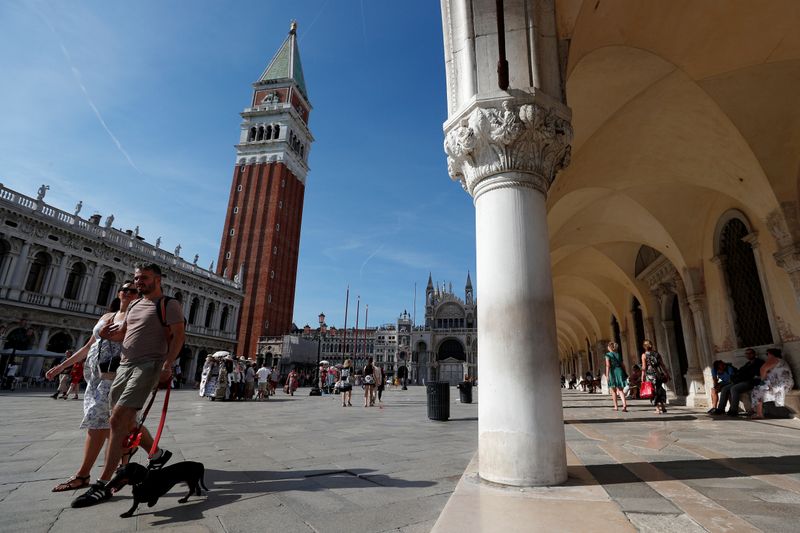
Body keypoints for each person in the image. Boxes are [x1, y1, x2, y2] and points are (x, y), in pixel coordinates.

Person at [71, 263, 185, 508]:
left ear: (158, 279)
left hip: (148, 365)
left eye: (144, 278)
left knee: (116, 420)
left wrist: (168, 364)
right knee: (123, 421)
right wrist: (106, 334)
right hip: (124, 365)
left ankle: (104, 483)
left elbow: (179, 335)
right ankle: (157, 454)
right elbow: (124, 332)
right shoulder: (134, 304)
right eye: (136, 278)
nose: (138, 282)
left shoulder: (168, 304)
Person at [45, 282, 134, 492]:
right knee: (122, 424)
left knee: (99, 421)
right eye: (125, 289)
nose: (129, 293)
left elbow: (121, 338)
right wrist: (61, 367)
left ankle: (83, 474)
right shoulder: (106, 317)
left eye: (134, 291)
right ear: (119, 293)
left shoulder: (136, 317)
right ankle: (126, 468)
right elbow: (88, 346)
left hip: (115, 376)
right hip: (94, 376)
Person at [714, 348, 763, 416]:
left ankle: (733, 410)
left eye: (750, 353)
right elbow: (740, 371)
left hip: (751, 381)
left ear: (754, 354)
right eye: (747, 354)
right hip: (742, 380)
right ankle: (721, 409)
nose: (748, 355)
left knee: (734, 388)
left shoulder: (759, 362)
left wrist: (742, 376)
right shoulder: (748, 363)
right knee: (725, 389)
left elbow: (754, 374)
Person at [750, 348, 795, 419]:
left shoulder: (774, 359)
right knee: (760, 388)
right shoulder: (780, 361)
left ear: (770, 354)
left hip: (782, 384)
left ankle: (759, 413)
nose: (767, 356)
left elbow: (763, 369)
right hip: (785, 384)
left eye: (767, 354)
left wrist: (762, 381)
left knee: (757, 390)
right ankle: (760, 412)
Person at [641, 340, 670, 414]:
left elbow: (644, 367)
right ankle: (663, 407)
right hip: (659, 374)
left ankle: (657, 408)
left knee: (653, 391)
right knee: (659, 389)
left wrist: (642, 377)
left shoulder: (644, 355)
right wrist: (667, 374)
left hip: (650, 375)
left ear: (644, 347)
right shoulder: (657, 354)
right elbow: (662, 365)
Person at [605, 342, 628, 412]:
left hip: (613, 372)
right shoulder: (618, 354)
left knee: (613, 390)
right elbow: (623, 365)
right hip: (620, 371)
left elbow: (608, 365)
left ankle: (616, 406)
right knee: (620, 390)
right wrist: (625, 372)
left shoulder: (607, 355)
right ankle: (624, 405)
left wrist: (607, 375)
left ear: (610, 347)